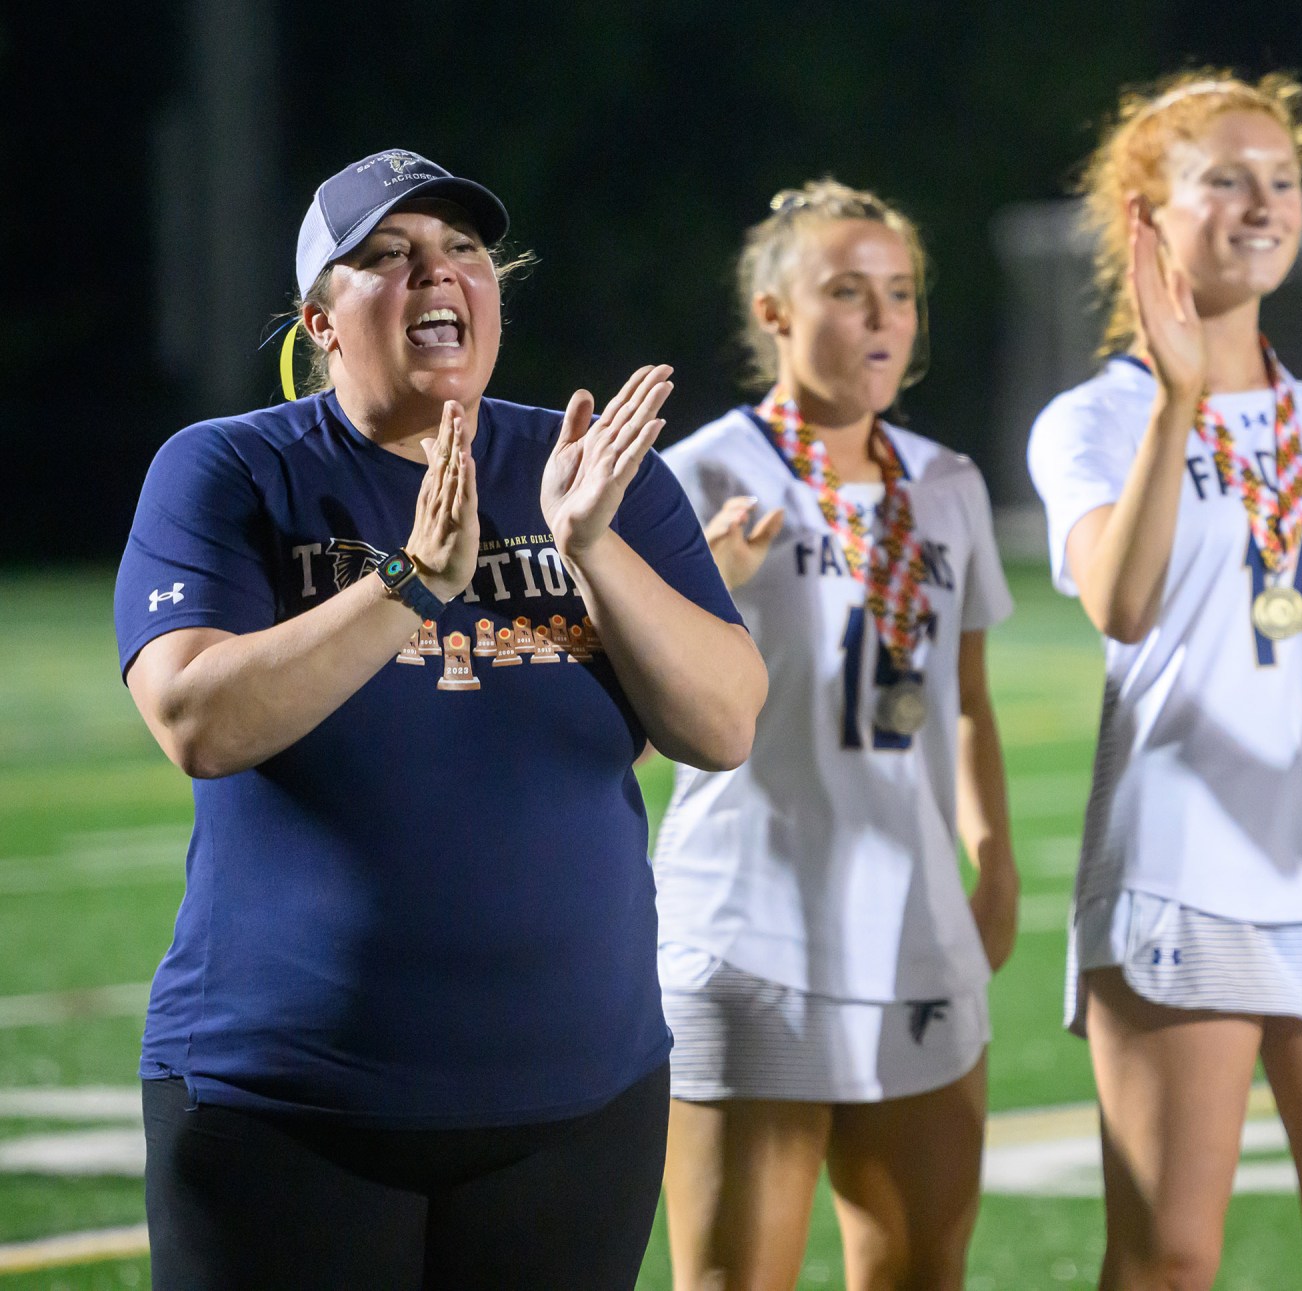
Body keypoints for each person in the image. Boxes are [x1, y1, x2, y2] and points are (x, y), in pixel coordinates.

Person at [114, 148, 764, 1291]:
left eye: (463, 250)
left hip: (577, 1103)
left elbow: (721, 723)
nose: (438, 275)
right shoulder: (230, 471)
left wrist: (593, 547)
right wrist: (409, 583)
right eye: (389, 257)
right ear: (320, 319)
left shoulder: (591, 477)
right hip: (286, 1107)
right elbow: (194, 717)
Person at [1026, 70, 1302, 1290]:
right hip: (1180, 878)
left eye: (1282, 179)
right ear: (1145, 213)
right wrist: (1181, 399)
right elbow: (1122, 603)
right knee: (1168, 1260)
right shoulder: (1093, 418)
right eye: (1226, 180)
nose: (1263, 203)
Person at [651, 179, 1018, 1291]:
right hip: (746, 930)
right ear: (772, 313)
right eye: (846, 292)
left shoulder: (945, 484)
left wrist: (993, 861)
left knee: (920, 1271)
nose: (880, 319)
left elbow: (961, 694)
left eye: (899, 294)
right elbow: (626, 707)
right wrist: (694, 585)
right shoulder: (703, 473)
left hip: (912, 928)